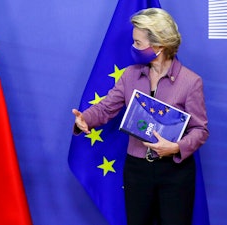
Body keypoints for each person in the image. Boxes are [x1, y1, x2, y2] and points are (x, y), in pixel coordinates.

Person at [72, 8, 208, 225]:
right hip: (137, 170)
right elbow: (107, 107)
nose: (133, 47)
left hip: (175, 172)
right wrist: (85, 119)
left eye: (138, 43)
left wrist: (175, 148)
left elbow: (200, 130)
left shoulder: (191, 82)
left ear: (160, 45)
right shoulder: (130, 75)